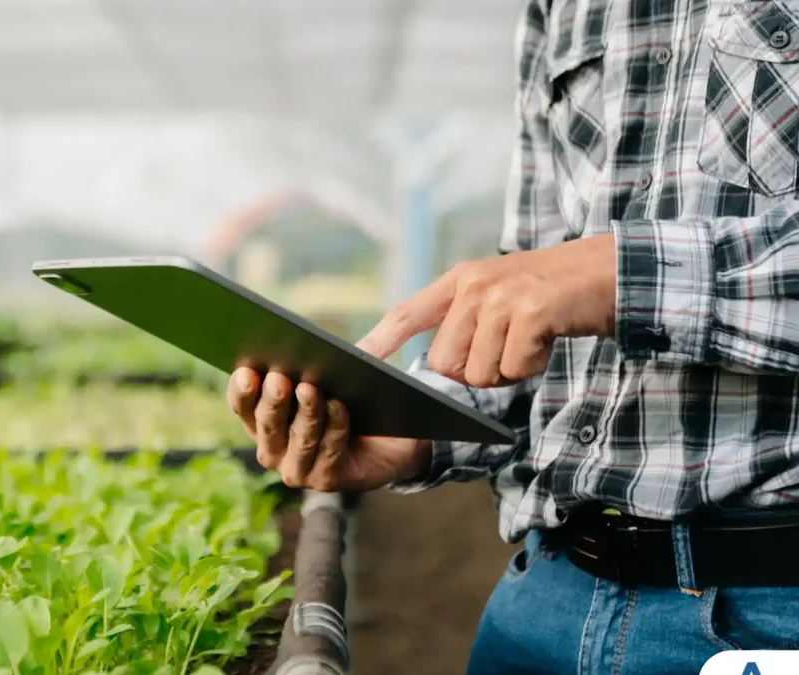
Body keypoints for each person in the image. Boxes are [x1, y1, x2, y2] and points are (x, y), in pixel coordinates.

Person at [226, 0, 799, 672]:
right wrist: (412, 429)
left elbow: (585, 280)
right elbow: (541, 326)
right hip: (547, 598)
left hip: (765, 610)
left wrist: (621, 275)